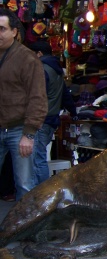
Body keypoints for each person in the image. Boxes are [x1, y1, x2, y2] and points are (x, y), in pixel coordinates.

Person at [0, 8, 47, 200]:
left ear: (14, 31)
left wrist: (29, 134)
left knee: (25, 184)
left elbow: (37, 97)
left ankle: (26, 229)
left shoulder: (27, 59)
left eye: (2, 29)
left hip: (19, 129)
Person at [28, 40, 77, 185]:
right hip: (50, 119)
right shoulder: (56, 70)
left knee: (37, 159)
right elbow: (65, 95)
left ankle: (40, 194)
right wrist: (74, 112)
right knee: (38, 157)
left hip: (40, 119)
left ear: (39, 54)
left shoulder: (41, 69)